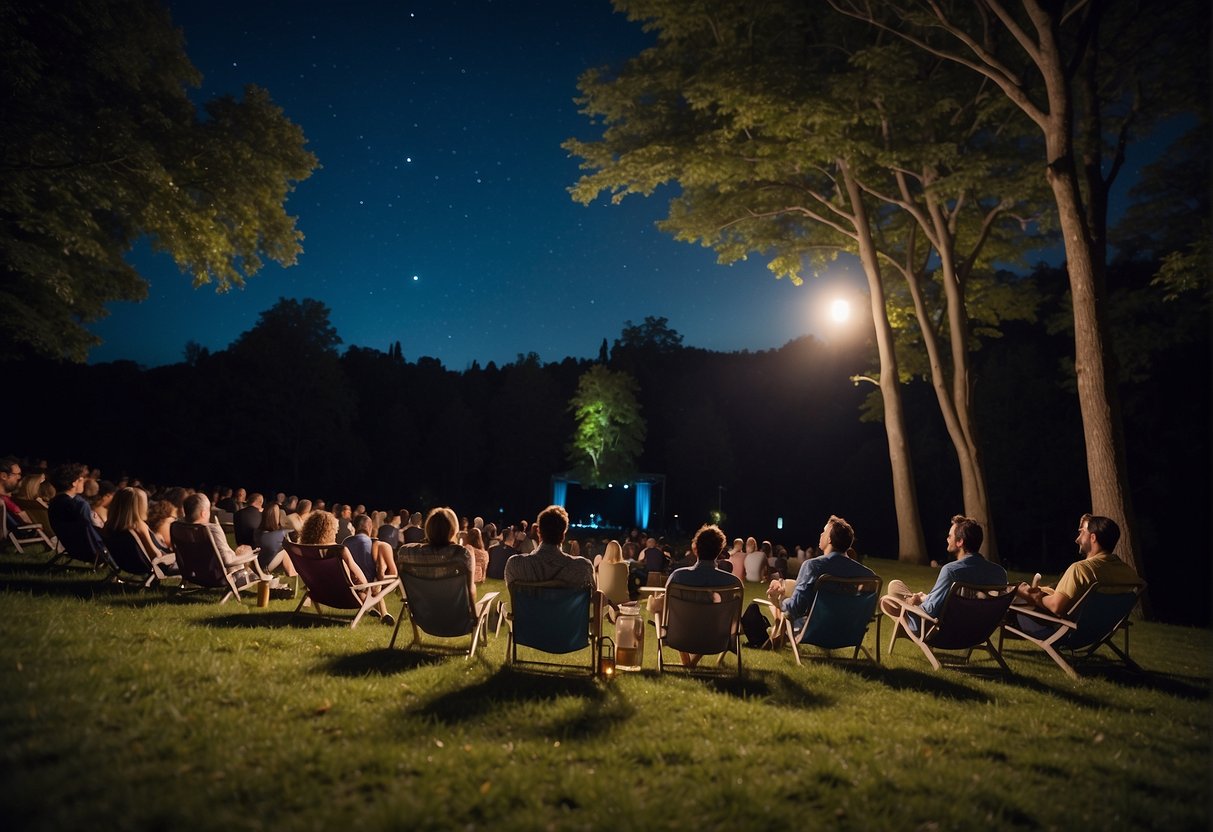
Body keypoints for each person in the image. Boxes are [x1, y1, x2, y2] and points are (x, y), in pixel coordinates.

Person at [879, 514, 1006, 634]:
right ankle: (917, 605)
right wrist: (926, 598)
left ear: (960, 542)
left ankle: (906, 628)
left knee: (889, 596)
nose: (947, 538)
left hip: (942, 631)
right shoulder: (999, 573)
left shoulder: (951, 571)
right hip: (979, 631)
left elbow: (930, 611)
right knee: (898, 587)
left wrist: (915, 601)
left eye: (950, 536)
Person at [1014, 514, 1142, 627]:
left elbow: (1056, 607)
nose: (1077, 539)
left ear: (1093, 538)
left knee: (1014, 597)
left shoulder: (1080, 569)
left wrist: (1033, 596)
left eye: (1081, 533)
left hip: (1066, 630)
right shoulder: (1128, 573)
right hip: (1096, 631)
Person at [651, 524, 743, 667]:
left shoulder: (678, 577)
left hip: (679, 637)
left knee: (658, 605)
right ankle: (691, 663)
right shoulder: (733, 582)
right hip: (716, 640)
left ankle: (688, 661)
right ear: (719, 551)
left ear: (695, 548)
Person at [769, 515, 876, 633]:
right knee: (789, 587)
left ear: (830, 539)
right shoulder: (869, 576)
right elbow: (868, 613)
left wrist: (780, 600)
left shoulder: (813, 566)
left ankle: (777, 630)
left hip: (814, 629)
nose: (821, 535)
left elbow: (796, 608)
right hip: (847, 630)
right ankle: (777, 631)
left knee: (781, 597)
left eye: (824, 532)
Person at [397, 507, 479, 605]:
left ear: (427, 529)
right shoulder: (461, 554)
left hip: (423, 616)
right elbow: (470, 592)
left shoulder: (407, 552)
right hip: (454, 615)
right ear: (453, 531)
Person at [178, 492, 269, 580]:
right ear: (203, 513)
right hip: (217, 575)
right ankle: (262, 576)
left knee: (243, 549)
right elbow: (228, 561)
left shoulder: (179, 528)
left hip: (194, 572)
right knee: (247, 549)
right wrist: (253, 555)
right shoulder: (212, 530)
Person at [504, 505, 594, 589]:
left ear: (538, 531)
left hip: (532, 606)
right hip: (562, 606)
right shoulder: (583, 567)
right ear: (563, 534)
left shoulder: (515, 564)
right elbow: (590, 597)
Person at [344, 514, 398, 588]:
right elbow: (393, 574)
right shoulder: (377, 544)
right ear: (369, 527)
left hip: (349, 586)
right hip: (369, 587)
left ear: (354, 527)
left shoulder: (346, 542)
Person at [255, 503, 297, 577]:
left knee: (280, 549)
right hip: (264, 569)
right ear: (275, 517)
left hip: (256, 566)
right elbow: (293, 529)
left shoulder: (257, 532)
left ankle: (292, 571)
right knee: (284, 551)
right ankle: (292, 572)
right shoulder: (279, 534)